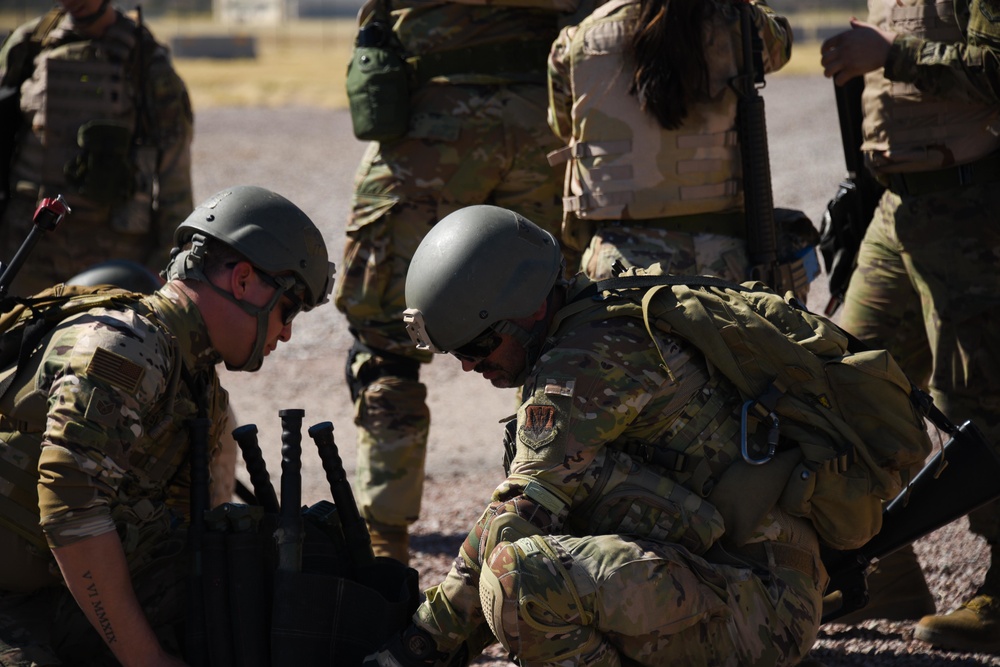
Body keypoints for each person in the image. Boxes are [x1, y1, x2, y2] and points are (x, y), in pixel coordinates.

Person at [364, 205, 828, 666]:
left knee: (521, 578)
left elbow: (516, 514)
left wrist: (419, 642)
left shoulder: (585, 359)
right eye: (456, 353)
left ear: (530, 307)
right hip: (735, 583)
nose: (469, 364)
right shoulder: (588, 322)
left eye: (477, 345)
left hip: (762, 611)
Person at [0, 185, 335, 666]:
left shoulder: (194, 375)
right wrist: (148, 660)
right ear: (242, 280)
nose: (286, 331)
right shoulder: (125, 347)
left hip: (50, 587)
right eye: (288, 309)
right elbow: (71, 510)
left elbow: (175, 540)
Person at [334, 0, 579, 564]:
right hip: (540, 121)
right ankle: (547, 514)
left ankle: (385, 546)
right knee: (546, 324)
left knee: (387, 344)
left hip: (433, 123)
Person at [820, 1, 1000, 652]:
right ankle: (884, 572)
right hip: (896, 208)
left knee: (977, 406)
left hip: (969, 205)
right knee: (843, 383)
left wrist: (889, 56)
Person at [546, 0, 798, 283]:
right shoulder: (737, 24)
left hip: (618, 262)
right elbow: (781, 44)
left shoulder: (576, 40)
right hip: (724, 259)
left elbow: (565, 127)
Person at [0, 0, 194, 297]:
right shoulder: (28, 47)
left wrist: (164, 267)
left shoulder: (145, 61)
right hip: (27, 250)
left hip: (113, 258)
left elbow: (175, 182)